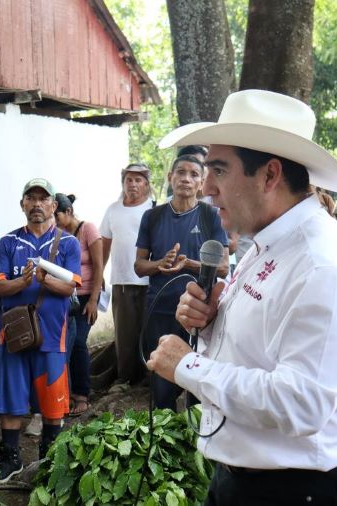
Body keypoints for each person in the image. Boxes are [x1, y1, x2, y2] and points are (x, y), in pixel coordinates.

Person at [149, 89, 337, 504]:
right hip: (243, 479)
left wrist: (188, 366)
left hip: (295, 489)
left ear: (270, 175)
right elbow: (262, 352)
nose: (206, 188)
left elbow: (300, 403)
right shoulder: (267, 243)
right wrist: (213, 321)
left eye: (218, 170)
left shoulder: (324, 265)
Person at [0, 178, 81, 483]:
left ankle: (49, 459)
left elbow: (70, 286)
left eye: (43, 199)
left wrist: (43, 281)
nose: (37, 204)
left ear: (54, 206)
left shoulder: (68, 243)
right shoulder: (8, 242)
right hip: (15, 336)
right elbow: (0, 287)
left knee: (53, 402)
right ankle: (11, 460)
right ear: (22, 205)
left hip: (53, 336)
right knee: (10, 399)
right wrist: (24, 280)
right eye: (31, 198)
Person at [134, 155, 228, 410]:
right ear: (170, 178)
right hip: (160, 311)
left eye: (194, 174)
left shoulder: (211, 216)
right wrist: (160, 264)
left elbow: (223, 267)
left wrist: (189, 264)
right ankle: (167, 441)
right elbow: (140, 265)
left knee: (198, 385)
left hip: (200, 314)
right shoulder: (152, 217)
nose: (186, 178)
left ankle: (198, 443)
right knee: (161, 385)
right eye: (181, 172)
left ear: (201, 183)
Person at [99, 163, 154, 385]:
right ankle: (126, 379)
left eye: (138, 180)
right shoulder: (113, 209)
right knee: (124, 335)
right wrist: (100, 273)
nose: (132, 184)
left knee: (149, 330)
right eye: (128, 179)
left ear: (146, 184)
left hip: (149, 280)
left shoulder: (153, 208)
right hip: (121, 279)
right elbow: (104, 244)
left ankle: (150, 378)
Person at [54, 193, 103, 416]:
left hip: (86, 296)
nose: (53, 221)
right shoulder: (58, 235)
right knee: (68, 343)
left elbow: (99, 266)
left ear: (69, 212)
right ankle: (67, 392)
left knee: (80, 342)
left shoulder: (87, 229)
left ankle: (82, 394)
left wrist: (93, 300)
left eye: (56, 216)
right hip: (67, 297)